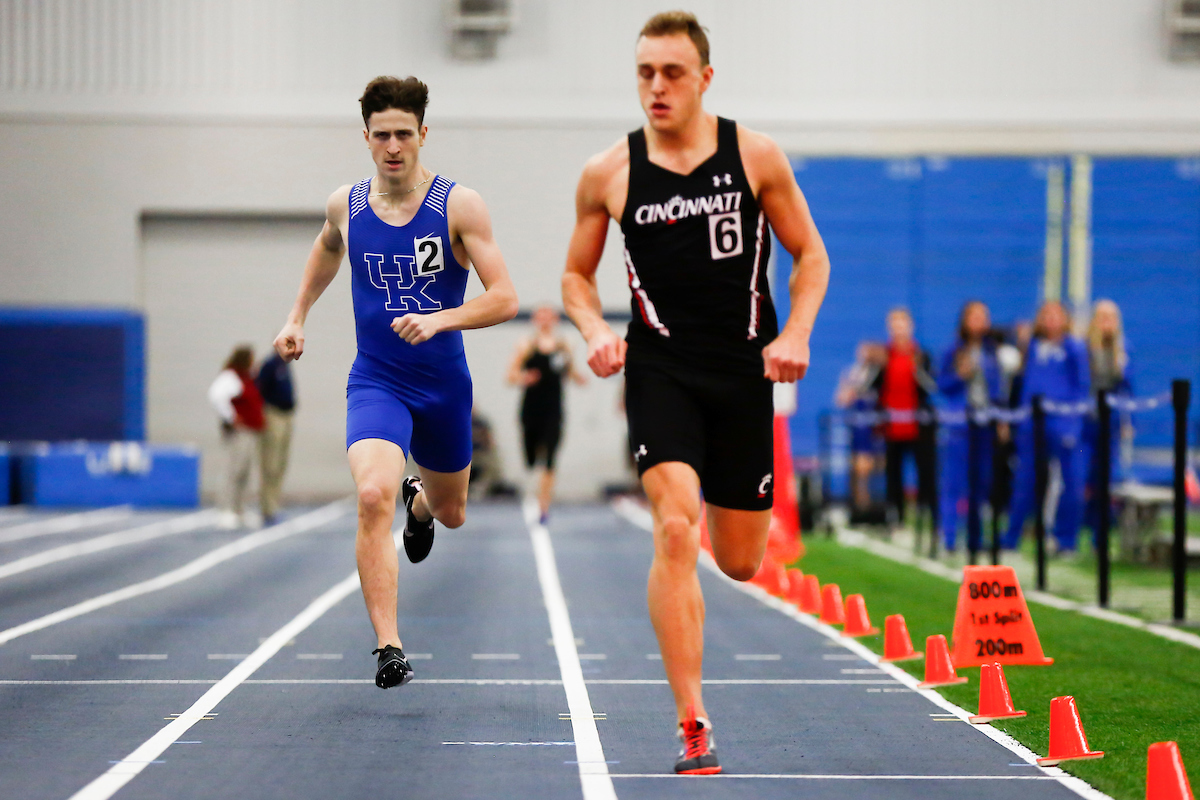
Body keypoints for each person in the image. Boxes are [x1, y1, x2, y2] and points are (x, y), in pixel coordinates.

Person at [561, 11, 829, 775]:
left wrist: (796, 333)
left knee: (741, 561)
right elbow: (575, 276)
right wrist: (593, 330)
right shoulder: (608, 172)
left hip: (745, 369)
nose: (656, 87)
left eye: (672, 73)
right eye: (644, 72)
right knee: (675, 531)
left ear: (705, 78)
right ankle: (693, 723)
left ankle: (706, 618)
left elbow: (810, 255)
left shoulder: (756, 156)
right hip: (660, 369)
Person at [272, 76, 518, 690]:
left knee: (454, 512)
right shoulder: (347, 206)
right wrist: (297, 315)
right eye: (380, 135)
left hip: (442, 386)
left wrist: (441, 318)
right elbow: (327, 248)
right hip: (376, 380)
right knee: (370, 496)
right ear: (366, 138)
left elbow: (506, 298)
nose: (392, 146)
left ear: (422, 135)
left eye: (403, 134)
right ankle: (389, 646)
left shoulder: (459, 206)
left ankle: (422, 502)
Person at [1001, 300, 1090, 552]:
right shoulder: (1032, 345)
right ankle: (1011, 536)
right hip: (1031, 422)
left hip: (1064, 423)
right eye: (1045, 314)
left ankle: (1065, 539)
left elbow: (1082, 387)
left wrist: (1073, 423)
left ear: (1065, 319)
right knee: (1023, 480)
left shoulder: (1074, 347)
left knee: (1071, 482)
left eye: (1055, 314)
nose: (1050, 320)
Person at [506, 306, 586, 524]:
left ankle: (543, 506)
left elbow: (570, 371)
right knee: (531, 459)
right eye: (540, 317)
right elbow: (510, 376)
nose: (545, 321)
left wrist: (580, 378)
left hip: (554, 409)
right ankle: (532, 493)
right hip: (531, 409)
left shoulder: (563, 346)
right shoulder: (526, 346)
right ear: (534, 319)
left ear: (555, 320)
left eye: (548, 317)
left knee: (550, 457)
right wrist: (525, 378)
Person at [936, 301, 1002, 552]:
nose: (978, 321)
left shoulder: (992, 351)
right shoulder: (952, 350)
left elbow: (997, 387)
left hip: (985, 423)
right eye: (973, 316)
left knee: (981, 483)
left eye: (983, 316)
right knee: (953, 482)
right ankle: (949, 537)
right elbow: (941, 384)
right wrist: (959, 375)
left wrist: (1000, 418)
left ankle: (976, 537)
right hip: (959, 423)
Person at [871, 308, 937, 531]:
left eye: (903, 324)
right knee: (893, 474)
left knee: (926, 472)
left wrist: (917, 367)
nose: (899, 329)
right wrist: (870, 364)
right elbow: (868, 386)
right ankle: (896, 517)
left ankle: (928, 516)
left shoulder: (921, 354)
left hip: (919, 424)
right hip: (891, 425)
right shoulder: (883, 356)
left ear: (910, 327)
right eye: (894, 324)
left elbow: (932, 387)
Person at [1082, 299, 1134, 529]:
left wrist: (1127, 420)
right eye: (1102, 317)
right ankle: (1073, 527)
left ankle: (1099, 531)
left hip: (1109, 421)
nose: (1106, 323)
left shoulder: (1123, 349)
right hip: (1085, 421)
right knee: (1082, 475)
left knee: (1106, 477)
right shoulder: (1082, 347)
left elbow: (1127, 388)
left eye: (1111, 318)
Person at [207, 345, 265, 529]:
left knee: (245, 471)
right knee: (233, 470)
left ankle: (240, 508)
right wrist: (232, 417)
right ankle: (226, 509)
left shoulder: (246, 377)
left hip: (250, 431)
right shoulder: (230, 377)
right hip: (239, 432)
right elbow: (216, 396)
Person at [834, 342, 884, 513]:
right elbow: (841, 399)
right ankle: (861, 504)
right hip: (859, 426)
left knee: (876, 464)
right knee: (859, 464)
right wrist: (851, 392)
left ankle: (878, 503)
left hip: (877, 425)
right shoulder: (853, 373)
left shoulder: (879, 372)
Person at [255, 350, 296, 526]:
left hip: (286, 416)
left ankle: (274, 505)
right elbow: (258, 390)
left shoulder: (285, 365)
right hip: (273, 415)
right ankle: (267, 508)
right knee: (270, 464)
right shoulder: (270, 364)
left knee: (280, 464)